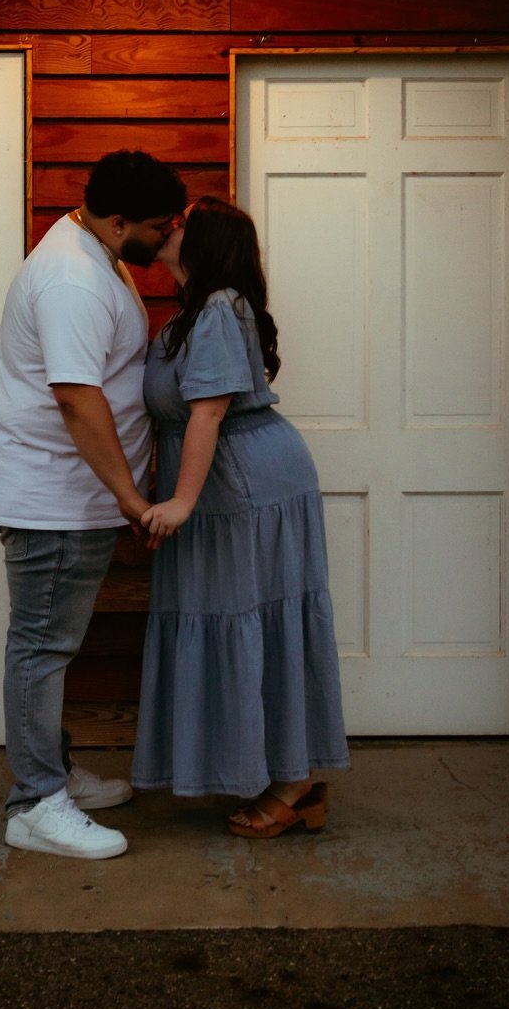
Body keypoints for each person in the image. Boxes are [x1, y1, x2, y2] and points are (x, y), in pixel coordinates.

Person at [0, 150, 187, 860]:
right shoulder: (71, 276)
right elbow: (74, 393)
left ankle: (52, 773)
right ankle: (34, 802)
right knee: (40, 645)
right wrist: (130, 496)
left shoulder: (95, 252)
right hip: (52, 495)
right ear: (118, 222)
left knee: (50, 643)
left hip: (66, 492)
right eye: (160, 226)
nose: (169, 235)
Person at [132, 196, 349, 835]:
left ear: (204, 245)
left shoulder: (221, 306)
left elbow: (208, 411)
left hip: (245, 485)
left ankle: (296, 781)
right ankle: (278, 771)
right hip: (223, 485)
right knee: (235, 615)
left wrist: (181, 501)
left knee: (255, 616)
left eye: (182, 223)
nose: (169, 225)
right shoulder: (194, 311)